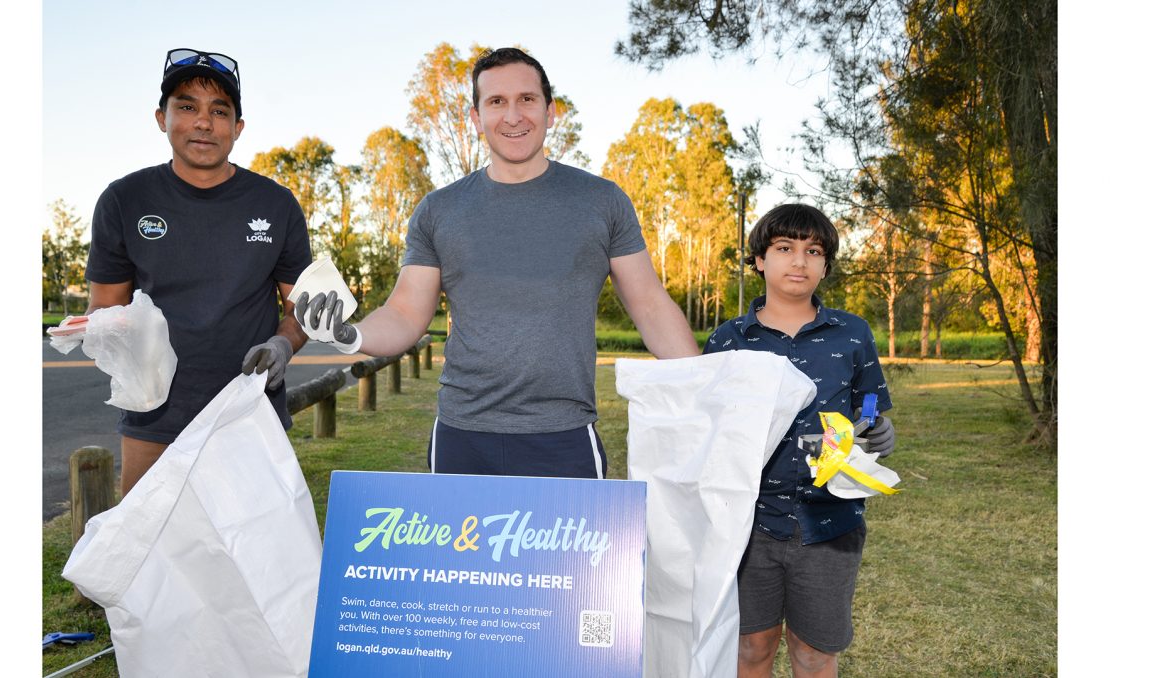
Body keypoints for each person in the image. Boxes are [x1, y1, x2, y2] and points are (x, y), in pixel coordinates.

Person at [296, 47, 698, 479]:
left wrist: (704, 388)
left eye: (526, 99)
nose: (513, 116)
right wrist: (349, 334)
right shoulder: (438, 210)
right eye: (496, 102)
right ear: (475, 117)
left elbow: (651, 306)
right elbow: (405, 312)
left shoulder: (603, 202)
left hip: (564, 434)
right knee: (453, 552)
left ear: (551, 111)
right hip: (462, 435)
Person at [84, 48, 311, 495]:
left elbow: (300, 305)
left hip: (250, 412)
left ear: (237, 128)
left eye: (219, 111)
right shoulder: (124, 199)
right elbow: (103, 310)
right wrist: (107, 335)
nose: (203, 122)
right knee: (147, 556)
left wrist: (283, 344)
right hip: (153, 419)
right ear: (161, 117)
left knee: (248, 557)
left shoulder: (276, 204)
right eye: (186, 106)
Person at [703, 203, 895, 678]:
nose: (799, 261)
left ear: (826, 265)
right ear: (760, 260)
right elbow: (705, 430)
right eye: (785, 248)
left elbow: (868, 410)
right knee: (750, 648)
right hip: (747, 526)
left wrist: (878, 432)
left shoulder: (853, 334)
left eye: (813, 251)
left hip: (830, 523)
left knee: (813, 654)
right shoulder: (729, 341)